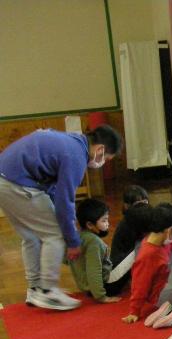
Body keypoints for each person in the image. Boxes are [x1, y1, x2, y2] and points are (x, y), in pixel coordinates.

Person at [0, 125, 123, 310]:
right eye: (106, 158)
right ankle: (49, 291)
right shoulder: (76, 156)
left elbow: (53, 189)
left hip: (5, 179)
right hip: (17, 183)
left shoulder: (71, 142)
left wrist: (68, 223)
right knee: (55, 235)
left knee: (31, 236)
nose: (103, 162)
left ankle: (35, 289)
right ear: (100, 149)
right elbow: (65, 201)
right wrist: (73, 241)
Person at [121, 203, 172, 327]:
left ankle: (171, 307)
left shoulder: (160, 240)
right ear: (169, 230)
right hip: (160, 297)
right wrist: (134, 311)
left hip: (163, 283)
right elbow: (139, 284)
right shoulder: (148, 254)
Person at [68, 198, 123, 304]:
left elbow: (68, 260)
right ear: (90, 225)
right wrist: (101, 296)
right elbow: (94, 271)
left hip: (87, 287)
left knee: (120, 258)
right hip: (105, 287)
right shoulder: (94, 242)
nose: (108, 224)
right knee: (133, 253)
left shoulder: (79, 237)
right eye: (104, 220)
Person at [109, 185, 150, 290]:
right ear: (127, 206)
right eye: (138, 204)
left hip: (129, 261)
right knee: (145, 245)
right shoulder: (128, 222)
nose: (142, 207)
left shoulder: (142, 219)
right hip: (118, 269)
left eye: (145, 202)